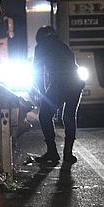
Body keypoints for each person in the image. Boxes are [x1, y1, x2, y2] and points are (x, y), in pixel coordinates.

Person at [33, 25, 84, 165]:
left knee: (44, 116)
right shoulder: (63, 45)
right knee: (69, 117)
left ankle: (52, 152)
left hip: (60, 84)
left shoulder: (41, 47)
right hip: (76, 83)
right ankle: (68, 153)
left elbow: (37, 74)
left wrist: (43, 94)